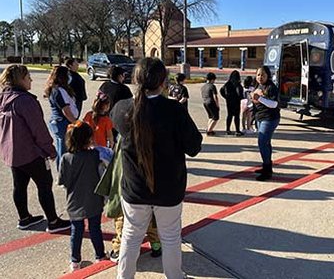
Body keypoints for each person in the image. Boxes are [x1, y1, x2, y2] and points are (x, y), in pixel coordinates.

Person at [110, 57, 202, 279]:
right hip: (169, 189)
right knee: (170, 237)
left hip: (134, 189)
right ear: (163, 82)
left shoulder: (122, 108)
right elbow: (194, 146)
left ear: (135, 79)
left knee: (131, 237)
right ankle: (174, 276)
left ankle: (124, 277)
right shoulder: (173, 110)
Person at [0, 65, 71, 233]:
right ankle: (53, 221)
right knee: (44, 185)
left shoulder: (3, 98)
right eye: (28, 77)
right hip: (31, 152)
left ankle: (24, 218)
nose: (31, 80)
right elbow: (38, 129)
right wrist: (50, 149)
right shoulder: (25, 101)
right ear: (20, 79)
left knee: (19, 185)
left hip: (12, 151)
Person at [58, 121, 107, 272]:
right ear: (89, 139)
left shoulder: (66, 158)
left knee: (76, 231)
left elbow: (63, 181)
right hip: (94, 199)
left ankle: (75, 261)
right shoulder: (95, 155)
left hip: (74, 201)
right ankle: (100, 255)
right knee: (95, 228)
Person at [45, 66, 78, 171]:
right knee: (63, 150)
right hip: (62, 123)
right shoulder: (59, 91)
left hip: (59, 122)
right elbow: (66, 111)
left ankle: (63, 171)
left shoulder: (56, 89)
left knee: (63, 148)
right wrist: (76, 123)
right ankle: (62, 173)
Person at [252, 66, 280, 181]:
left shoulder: (271, 87)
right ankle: (266, 166)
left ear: (268, 75)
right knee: (266, 143)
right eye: (258, 74)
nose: (260, 77)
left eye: (263, 75)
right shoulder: (258, 86)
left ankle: (267, 170)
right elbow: (254, 101)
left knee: (262, 142)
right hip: (260, 117)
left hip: (270, 118)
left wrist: (259, 98)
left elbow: (274, 104)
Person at [220, 70, 244, 136]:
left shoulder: (227, 83)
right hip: (236, 102)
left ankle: (228, 130)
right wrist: (241, 97)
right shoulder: (237, 84)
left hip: (229, 101)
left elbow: (221, 90)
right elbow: (240, 92)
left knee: (229, 116)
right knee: (237, 116)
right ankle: (237, 130)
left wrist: (226, 97)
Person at [201, 72, 220, 136]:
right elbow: (215, 96)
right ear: (212, 79)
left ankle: (209, 129)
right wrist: (217, 105)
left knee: (211, 117)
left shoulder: (203, 86)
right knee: (216, 118)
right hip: (211, 102)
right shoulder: (212, 86)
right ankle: (209, 131)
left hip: (205, 102)